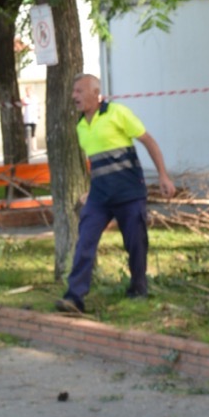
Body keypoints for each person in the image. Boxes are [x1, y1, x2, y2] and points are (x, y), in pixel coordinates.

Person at [56, 74, 176, 315]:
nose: (74, 96)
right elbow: (97, 162)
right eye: (73, 91)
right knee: (85, 241)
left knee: (136, 243)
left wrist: (163, 175)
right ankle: (74, 297)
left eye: (79, 91)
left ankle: (138, 289)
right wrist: (91, 189)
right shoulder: (81, 126)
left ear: (95, 93)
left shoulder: (117, 113)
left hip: (129, 193)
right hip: (99, 198)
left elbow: (148, 141)